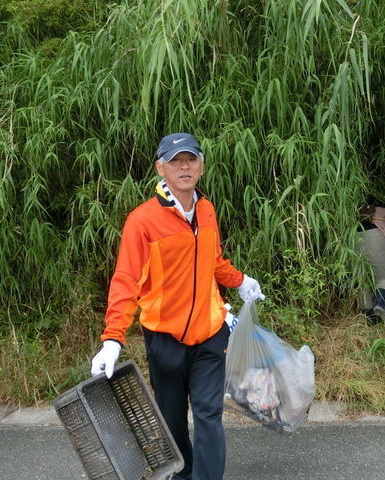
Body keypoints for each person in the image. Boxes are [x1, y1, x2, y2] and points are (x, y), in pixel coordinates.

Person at [90, 132, 265, 480]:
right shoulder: (142, 221)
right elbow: (126, 280)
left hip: (210, 334)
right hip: (164, 338)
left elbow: (213, 261)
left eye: (191, 159)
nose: (184, 166)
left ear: (201, 165)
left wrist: (240, 280)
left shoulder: (207, 209)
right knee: (171, 416)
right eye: (175, 160)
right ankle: (182, 475)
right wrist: (113, 339)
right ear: (161, 168)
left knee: (208, 413)